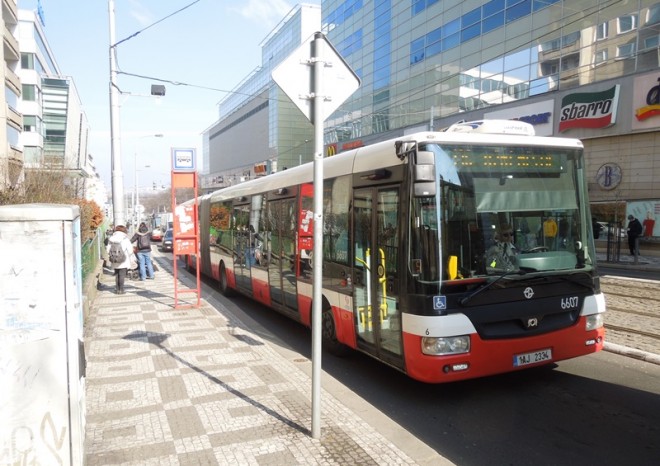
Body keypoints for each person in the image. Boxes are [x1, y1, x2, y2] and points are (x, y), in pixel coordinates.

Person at [106, 225, 133, 294]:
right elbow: (130, 251)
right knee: (122, 275)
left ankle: (117, 289)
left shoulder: (111, 239)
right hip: (123, 260)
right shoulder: (125, 239)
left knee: (117, 274)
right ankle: (121, 289)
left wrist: (113, 255)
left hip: (114, 260)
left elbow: (107, 250)